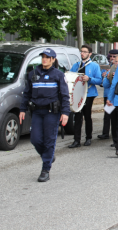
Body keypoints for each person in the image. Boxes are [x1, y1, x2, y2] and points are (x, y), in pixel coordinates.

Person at [20, 48, 70, 182]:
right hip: (37, 111)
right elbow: (27, 93)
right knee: (35, 139)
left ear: (53, 60)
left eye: (48, 57)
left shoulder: (58, 75)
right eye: (43, 56)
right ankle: (48, 155)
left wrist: (65, 112)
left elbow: (65, 95)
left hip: (51, 113)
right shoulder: (33, 74)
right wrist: (22, 109)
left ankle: (45, 169)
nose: (45, 59)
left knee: (49, 140)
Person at [68, 45, 102, 148]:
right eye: (81, 51)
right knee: (77, 116)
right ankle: (76, 140)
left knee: (87, 116)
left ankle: (88, 137)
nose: (82, 53)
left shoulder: (94, 66)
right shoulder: (76, 65)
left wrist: (89, 78)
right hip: (78, 94)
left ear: (90, 54)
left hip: (89, 94)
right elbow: (71, 76)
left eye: (84, 52)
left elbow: (99, 80)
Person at [101, 55, 118, 147]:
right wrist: (108, 76)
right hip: (112, 100)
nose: (116, 63)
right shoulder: (111, 71)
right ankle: (115, 140)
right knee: (112, 121)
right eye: (115, 62)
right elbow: (105, 85)